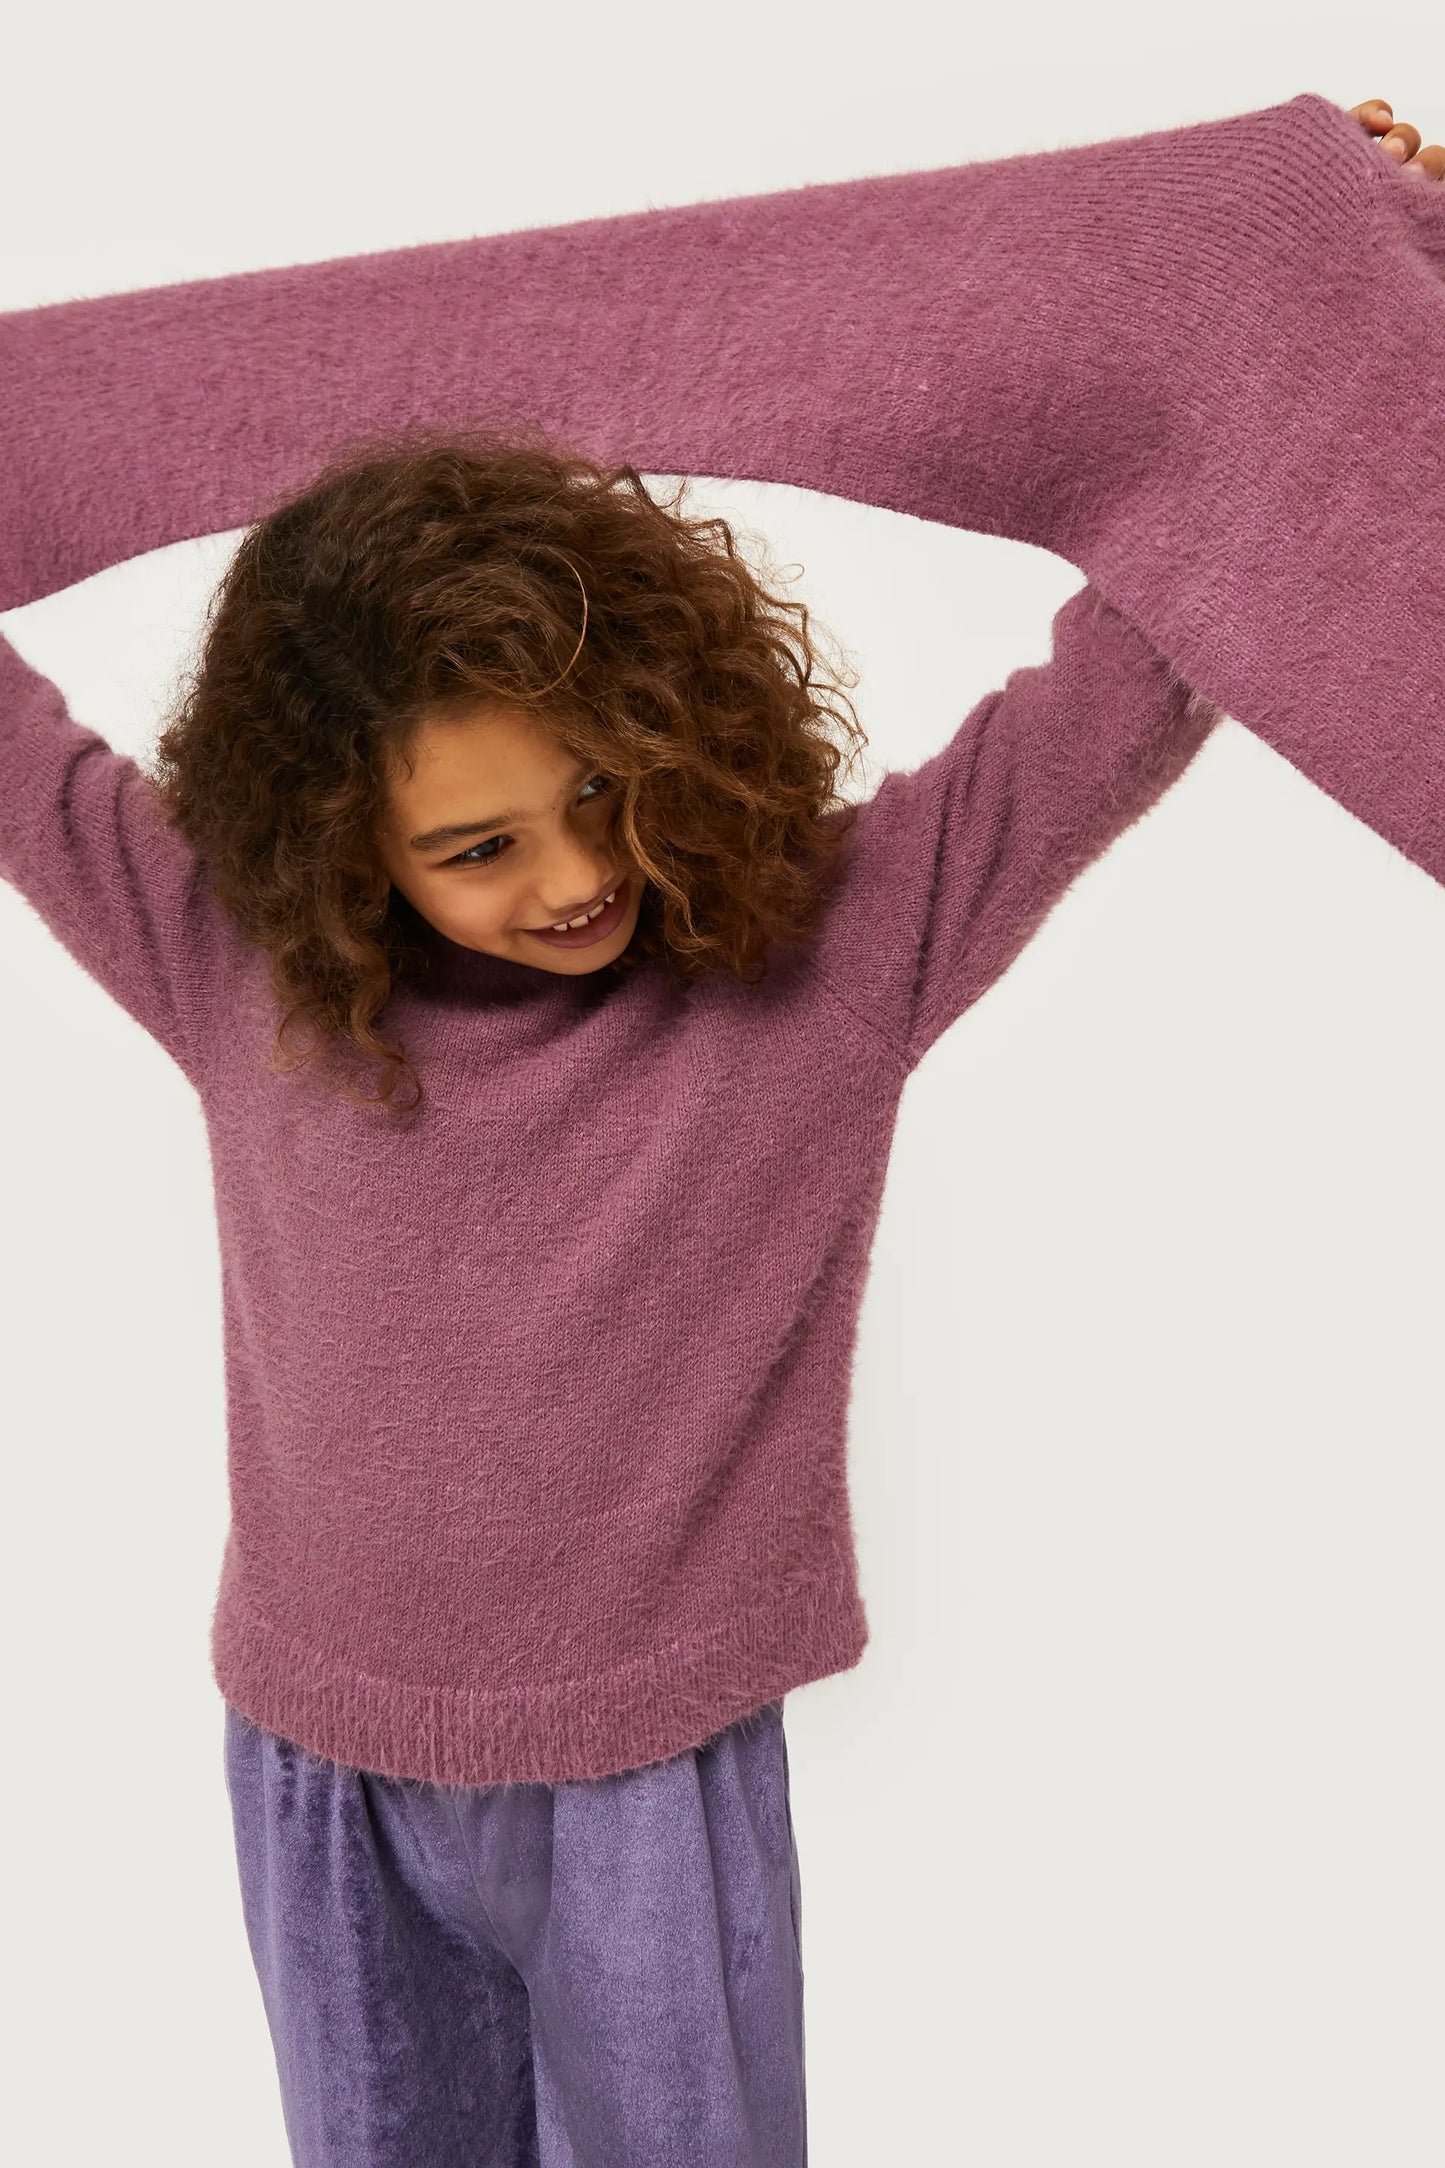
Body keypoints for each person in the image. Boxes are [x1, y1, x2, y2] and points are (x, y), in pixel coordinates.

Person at [0, 91, 1440, 2168]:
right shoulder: (232, 966)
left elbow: (1153, 627)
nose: (572, 870)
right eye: (478, 844)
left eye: (608, 789)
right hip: (320, 1756)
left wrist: (1334, 275)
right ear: (339, 837)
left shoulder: (833, 956)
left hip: (649, 1787)